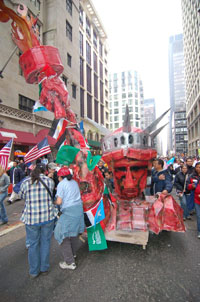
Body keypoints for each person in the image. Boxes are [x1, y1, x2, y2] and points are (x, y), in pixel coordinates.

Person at [19, 164, 56, 278]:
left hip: (31, 218)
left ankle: (34, 271)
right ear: (45, 171)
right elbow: (52, 195)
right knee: (45, 242)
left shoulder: (26, 182)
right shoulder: (50, 181)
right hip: (47, 217)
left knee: (33, 244)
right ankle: (44, 268)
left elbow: (21, 196)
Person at [54, 166, 85, 270]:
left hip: (69, 211)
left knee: (61, 234)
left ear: (60, 176)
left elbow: (59, 202)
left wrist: (54, 202)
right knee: (73, 232)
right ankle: (73, 254)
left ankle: (70, 262)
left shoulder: (61, 184)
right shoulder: (74, 182)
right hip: (79, 209)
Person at [186, 162, 200, 239]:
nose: (198, 169)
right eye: (197, 167)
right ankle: (199, 231)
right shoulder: (192, 176)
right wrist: (192, 186)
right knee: (198, 216)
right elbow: (188, 186)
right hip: (196, 199)